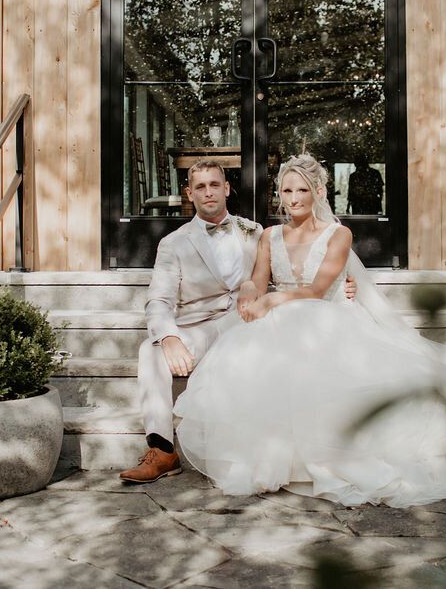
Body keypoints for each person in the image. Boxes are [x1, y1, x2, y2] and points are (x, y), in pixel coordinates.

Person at [174, 154, 446, 507]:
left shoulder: (339, 234)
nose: (293, 198)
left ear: (317, 191)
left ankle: (326, 456)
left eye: (302, 189)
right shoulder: (270, 236)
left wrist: (272, 302)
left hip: (327, 319)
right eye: (287, 190)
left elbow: (317, 291)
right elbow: (259, 280)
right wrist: (249, 290)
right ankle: (277, 458)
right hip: (281, 322)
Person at [120, 159, 354, 483]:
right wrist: (169, 337)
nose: (208, 192)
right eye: (200, 187)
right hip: (200, 327)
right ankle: (161, 449)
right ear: (189, 194)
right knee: (150, 350)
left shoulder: (253, 230)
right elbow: (158, 301)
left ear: (227, 189)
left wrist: (342, 285)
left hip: (246, 322)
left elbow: (277, 275)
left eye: (215, 185)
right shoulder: (173, 244)